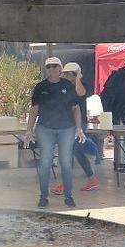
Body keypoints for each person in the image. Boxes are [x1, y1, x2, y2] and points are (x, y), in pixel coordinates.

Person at [26, 56, 86, 209]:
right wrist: (29, 130)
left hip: (66, 128)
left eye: (54, 66)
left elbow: (76, 108)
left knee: (66, 163)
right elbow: (34, 110)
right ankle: (43, 197)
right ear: (46, 69)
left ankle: (68, 197)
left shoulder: (67, 85)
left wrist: (79, 128)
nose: (51, 69)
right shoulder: (40, 87)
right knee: (45, 163)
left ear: (60, 69)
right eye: (49, 67)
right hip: (45, 128)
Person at [49, 62, 99, 196]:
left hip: (79, 124)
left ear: (76, 74)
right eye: (65, 73)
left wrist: (77, 78)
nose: (65, 76)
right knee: (76, 151)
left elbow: (81, 93)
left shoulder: (83, 85)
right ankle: (92, 179)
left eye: (69, 74)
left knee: (69, 151)